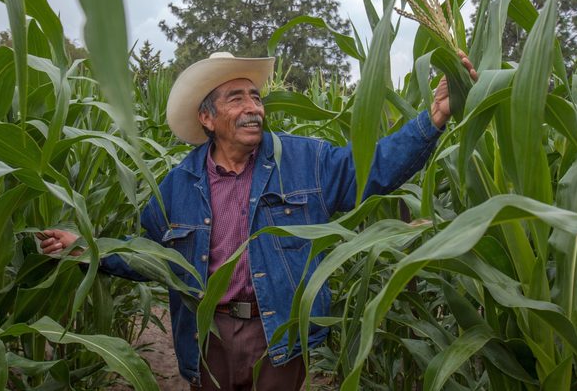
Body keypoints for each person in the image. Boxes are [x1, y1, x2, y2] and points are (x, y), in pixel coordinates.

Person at [39, 51, 477, 390]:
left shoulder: (306, 161)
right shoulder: (176, 187)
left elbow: (373, 169)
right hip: (206, 334)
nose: (254, 108)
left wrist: (434, 117)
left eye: (256, 97)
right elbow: (147, 255)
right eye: (236, 98)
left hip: (278, 334)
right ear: (207, 118)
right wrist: (87, 246)